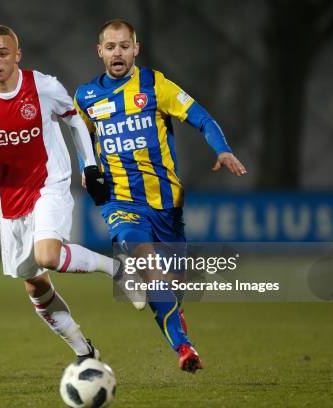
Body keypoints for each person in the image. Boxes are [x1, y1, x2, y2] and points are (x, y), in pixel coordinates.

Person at [0, 24, 133, 362]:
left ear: (17, 55)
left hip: (49, 184)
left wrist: (89, 165)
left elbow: (73, 119)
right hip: (11, 206)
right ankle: (85, 352)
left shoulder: (42, 86)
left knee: (47, 256)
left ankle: (118, 269)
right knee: (36, 287)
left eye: (2, 53)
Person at [74, 19, 247, 373]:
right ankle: (184, 347)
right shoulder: (85, 97)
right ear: (100, 51)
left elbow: (202, 118)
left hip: (166, 206)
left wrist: (222, 149)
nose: (117, 53)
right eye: (110, 47)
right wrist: (86, 167)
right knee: (150, 268)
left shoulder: (156, 85)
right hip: (119, 202)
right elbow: (82, 140)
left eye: (124, 46)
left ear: (136, 49)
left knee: (171, 287)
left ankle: (173, 315)